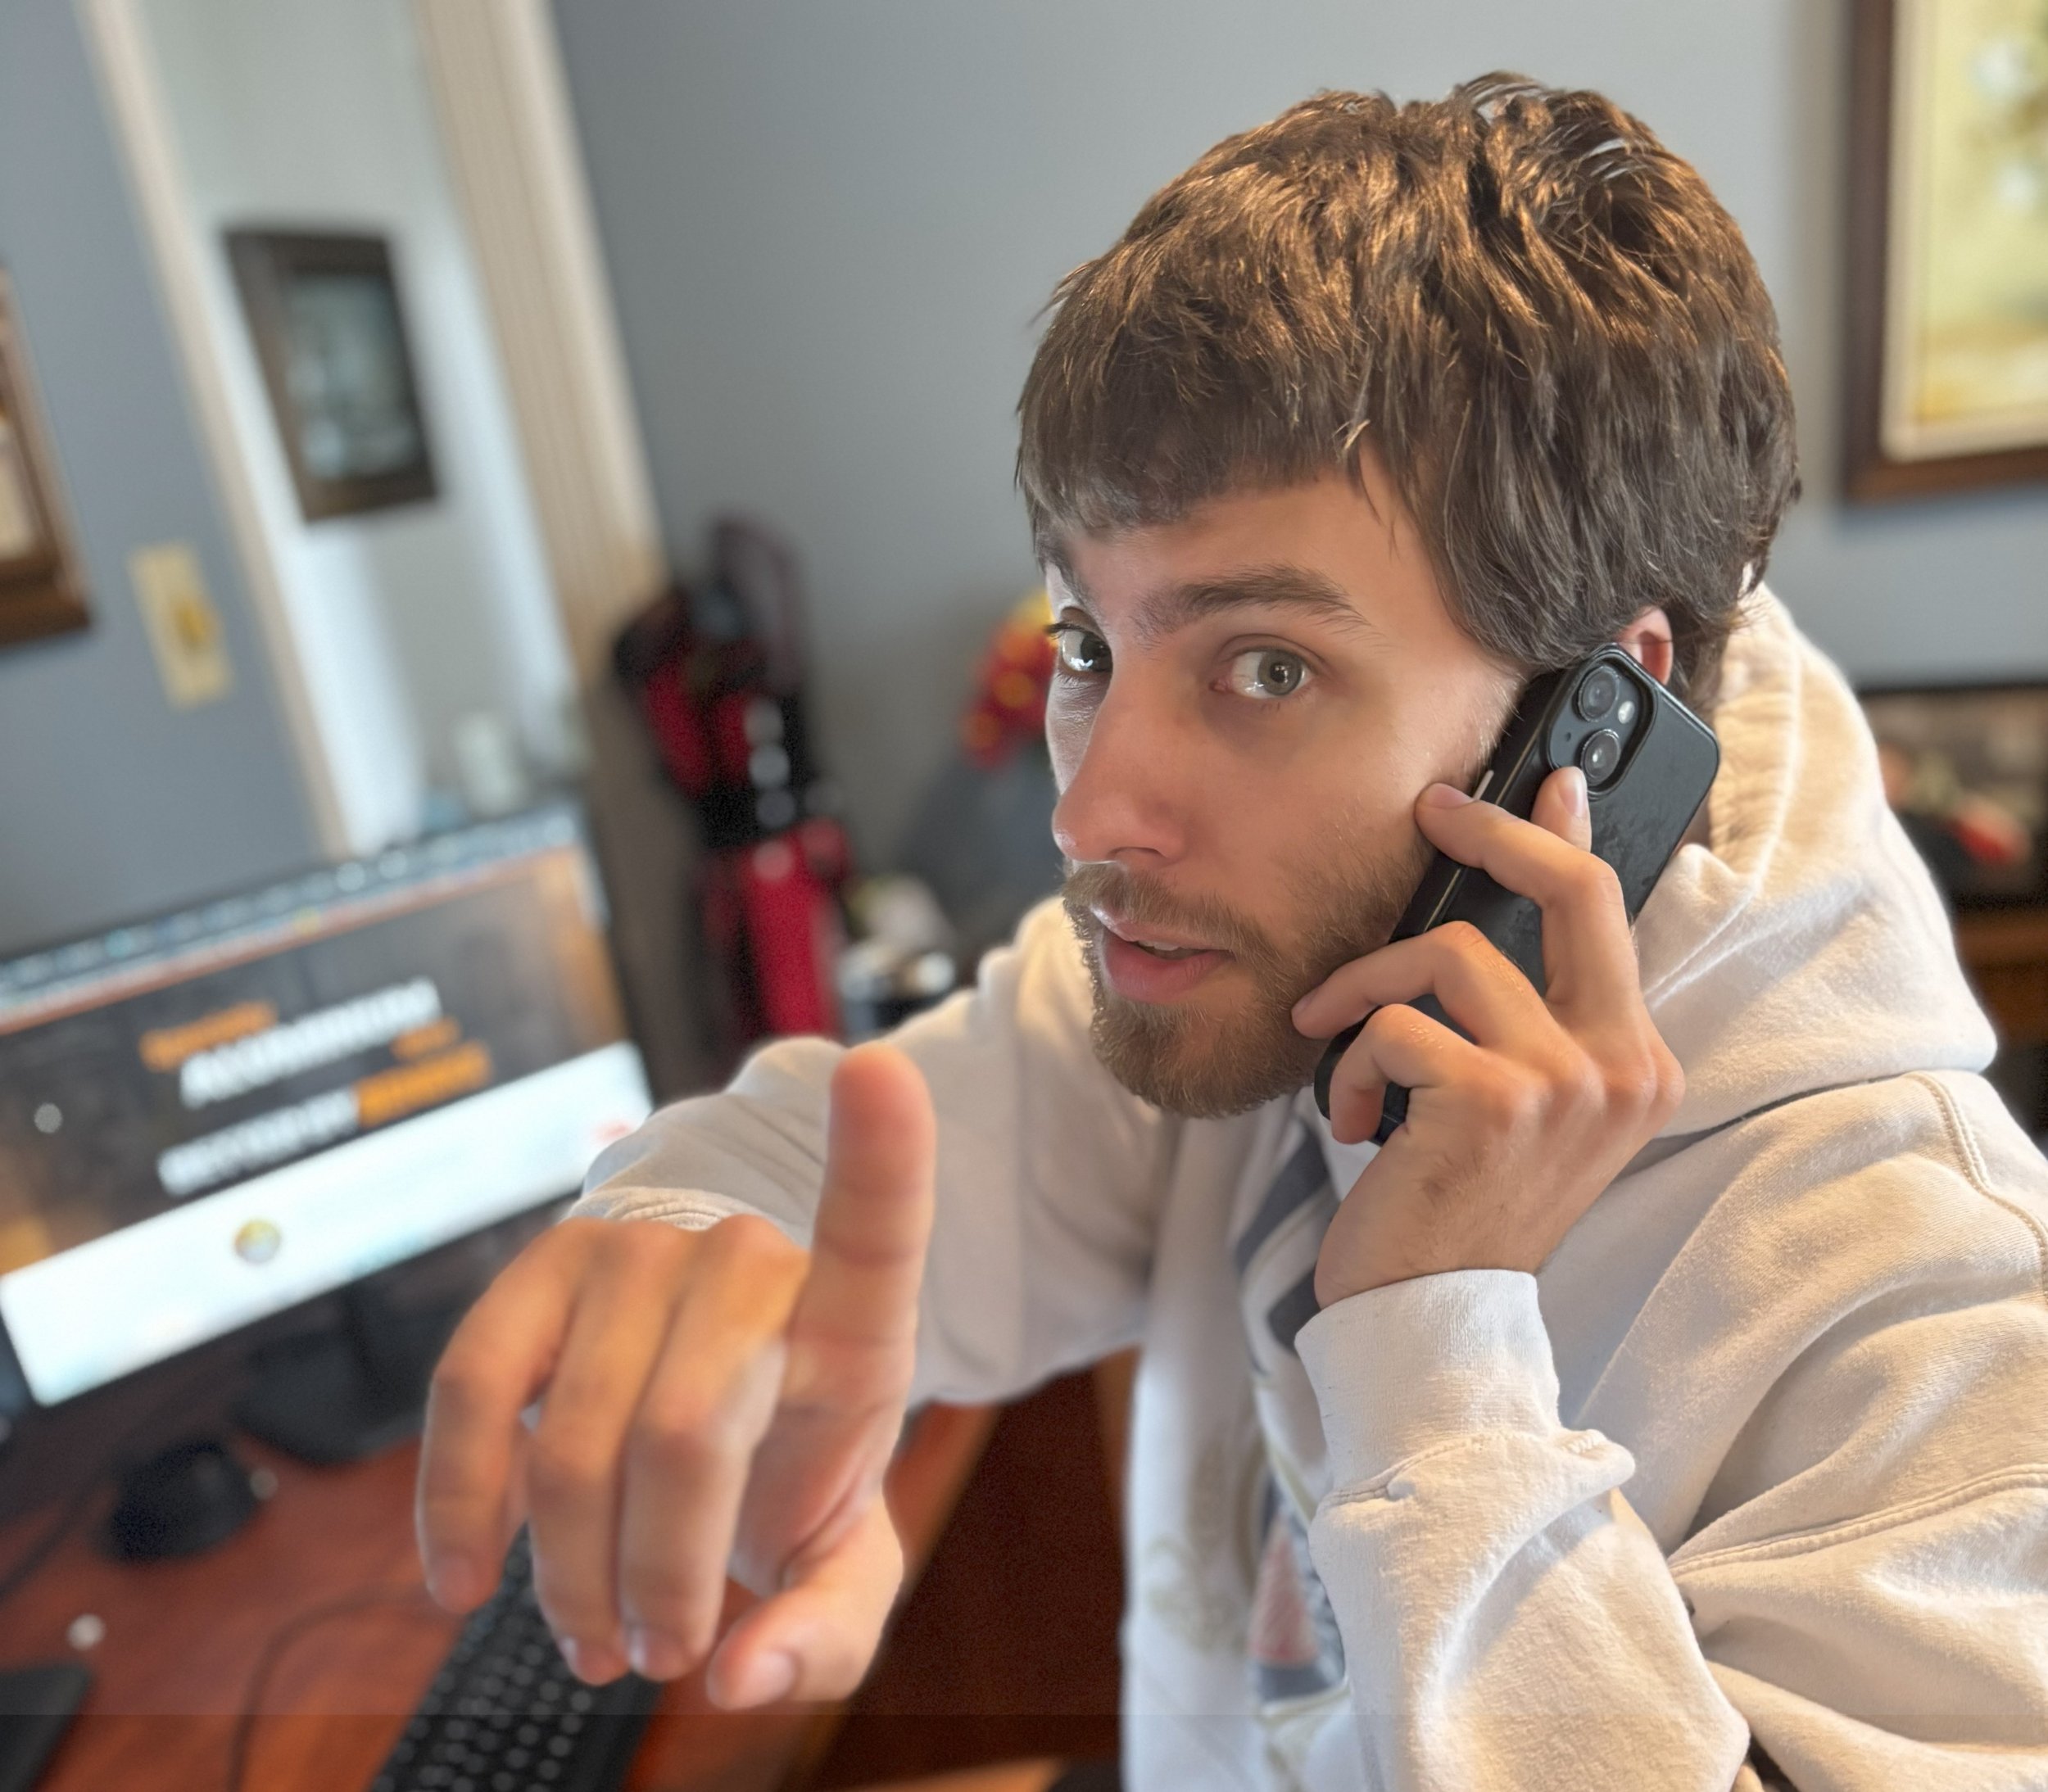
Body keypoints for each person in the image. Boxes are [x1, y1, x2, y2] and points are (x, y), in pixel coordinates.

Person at [415, 75, 2048, 1791]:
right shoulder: (1261, 969)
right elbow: (850, 1164)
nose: (1089, 809)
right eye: (1084, 643)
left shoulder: (1930, 1331)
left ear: (1589, 723)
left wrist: (1436, 1336)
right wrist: (692, 1228)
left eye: (1264, 666)